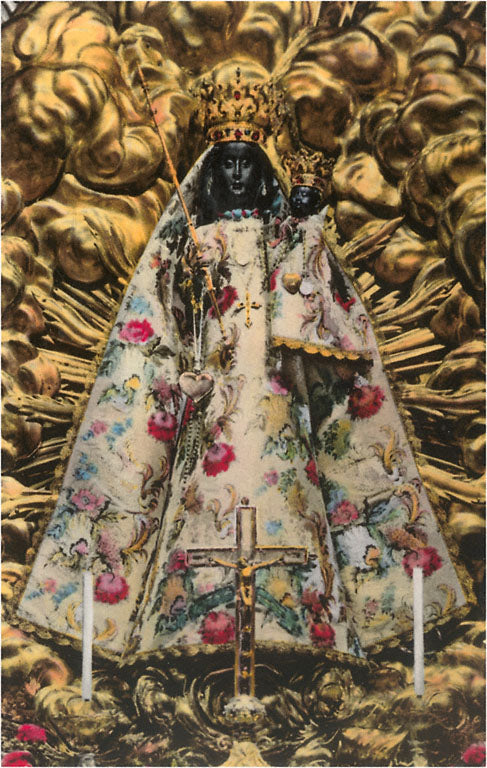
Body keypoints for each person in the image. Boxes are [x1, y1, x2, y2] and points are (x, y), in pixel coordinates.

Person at [18, 70, 470, 664]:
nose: (236, 176)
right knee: (201, 498)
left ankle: (309, 623)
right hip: (211, 406)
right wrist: (184, 372)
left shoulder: (286, 238)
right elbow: (162, 325)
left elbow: (317, 316)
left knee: (292, 496)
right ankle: (184, 626)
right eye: (227, 164)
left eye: (246, 165)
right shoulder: (188, 243)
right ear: (211, 172)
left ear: (261, 173)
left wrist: (306, 230)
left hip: (281, 398)